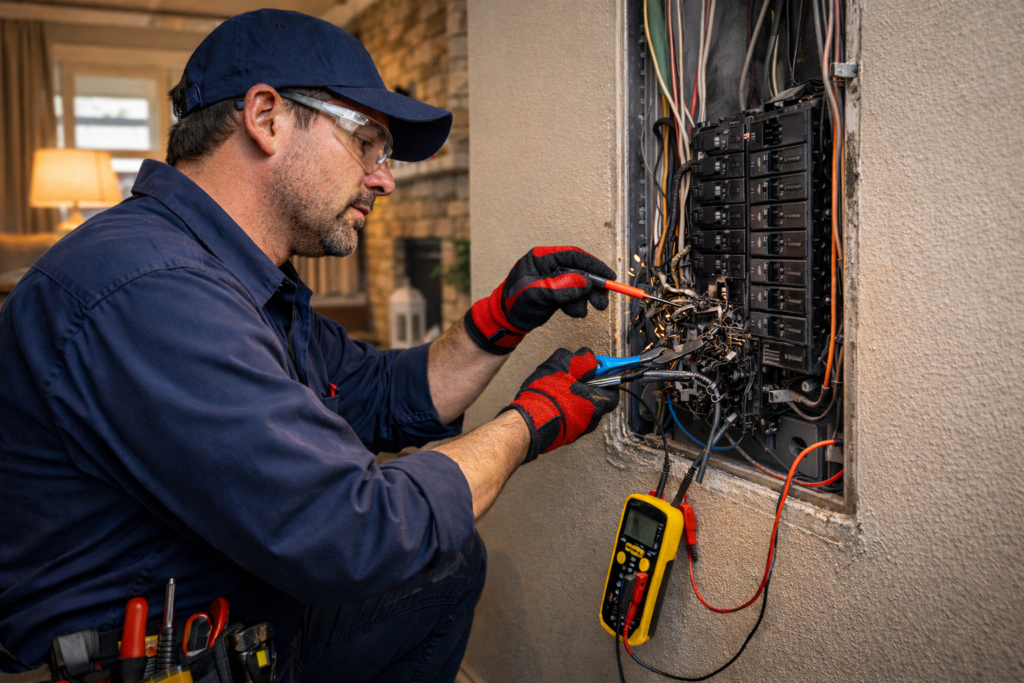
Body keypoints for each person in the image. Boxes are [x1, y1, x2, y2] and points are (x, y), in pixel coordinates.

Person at [0, 10, 619, 682]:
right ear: (266, 117)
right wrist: (528, 424)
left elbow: (383, 393)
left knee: (448, 566)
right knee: (419, 554)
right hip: (143, 658)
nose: (384, 179)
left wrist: (501, 317)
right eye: (367, 144)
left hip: (228, 608)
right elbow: (356, 531)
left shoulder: (239, 280)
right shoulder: (151, 291)